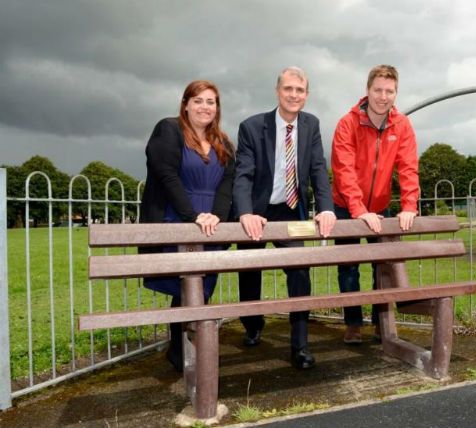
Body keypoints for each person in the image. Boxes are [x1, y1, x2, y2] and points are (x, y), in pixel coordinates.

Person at [233, 66, 336, 370]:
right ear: (278, 91)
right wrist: (245, 213)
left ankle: (300, 345)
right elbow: (243, 174)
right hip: (258, 211)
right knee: (250, 270)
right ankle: (252, 325)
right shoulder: (252, 127)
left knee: (299, 270)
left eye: (300, 90)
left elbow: (318, 168)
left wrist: (326, 207)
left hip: (291, 210)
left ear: (306, 95)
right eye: (288, 89)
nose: (294, 95)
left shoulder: (311, 125)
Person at [139, 80, 235, 371]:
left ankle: (190, 349)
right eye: (198, 101)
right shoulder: (169, 130)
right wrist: (192, 216)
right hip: (177, 216)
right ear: (185, 104)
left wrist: (216, 216)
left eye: (211, 102)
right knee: (184, 289)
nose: (205, 107)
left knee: (202, 289)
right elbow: (167, 176)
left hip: (210, 225)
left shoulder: (224, 142)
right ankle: (181, 353)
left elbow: (228, 184)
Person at [331, 64, 419, 344]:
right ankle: (353, 323)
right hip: (346, 206)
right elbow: (343, 170)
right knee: (349, 266)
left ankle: (381, 320)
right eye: (378, 90)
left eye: (389, 91)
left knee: (383, 266)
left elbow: (408, 167)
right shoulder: (348, 123)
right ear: (367, 90)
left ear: (396, 93)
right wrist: (359, 211)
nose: (383, 96)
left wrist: (409, 206)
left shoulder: (401, 124)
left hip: (381, 205)